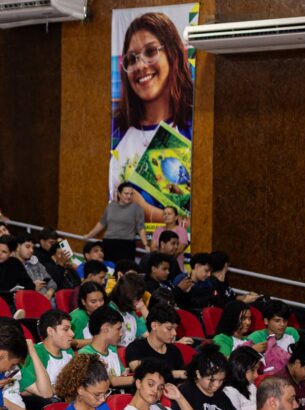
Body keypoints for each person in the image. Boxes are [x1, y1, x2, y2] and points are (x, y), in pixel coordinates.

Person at [109, 12, 195, 221]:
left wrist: (147, 211)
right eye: (132, 59)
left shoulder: (194, 126)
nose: (140, 66)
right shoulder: (116, 129)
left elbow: (198, 219)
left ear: (173, 54)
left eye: (151, 51)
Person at [125, 360, 203, 410]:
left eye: (160, 388)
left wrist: (179, 397)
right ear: (138, 383)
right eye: (150, 384)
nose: (155, 390)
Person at [174, 345, 240, 410]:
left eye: (221, 380)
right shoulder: (184, 392)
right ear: (198, 374)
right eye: (212, 380)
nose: (217, 385)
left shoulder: (220, 395)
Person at [82, 183, 148, 266]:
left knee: (124, 269)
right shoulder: (111, 207)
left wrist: (146, 245)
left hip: (126, 245)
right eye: (126, 193)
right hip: (109, 243)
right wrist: (89, 235)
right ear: (119, 194)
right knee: (108, 268)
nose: (129, 196)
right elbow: (101, 223)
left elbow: (141, 228)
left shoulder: (137, 208)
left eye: (131, 194)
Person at [125, 303, 187, 378]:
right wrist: (174, 374)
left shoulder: (174, 351)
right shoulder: (135, 348)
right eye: (169, 328)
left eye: (175, 329)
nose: (174, 333)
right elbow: (140, 373)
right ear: (154, 326)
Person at [21, 309, 74, 394]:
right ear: (50, 331)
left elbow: (76, 381)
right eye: (66, 329)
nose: (72, 334)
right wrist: (61, 387)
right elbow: (25, 391)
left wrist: (54, 387)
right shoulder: (36, 352)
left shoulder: (68, 350)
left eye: (71, 329)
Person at [78, 305, 129, 385]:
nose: (121, 334)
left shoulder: (112, 349)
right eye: (118, 329)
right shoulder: (85, 354)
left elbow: (122, 374)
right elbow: (105, 382)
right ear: (106, 328)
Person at [108, 273, 149, 347]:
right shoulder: (109, 310)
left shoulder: (131, 313)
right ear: (127, 297)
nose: (140, 300)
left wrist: (143, 308)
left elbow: (148, 335)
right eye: (138, 298)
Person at [224, 346, 261, 410]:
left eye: (257, 369)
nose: (256, 375)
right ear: (240, 368)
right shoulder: (230, 391)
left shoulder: (251, 386)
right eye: (253, 370)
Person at [70, 282, 108, 348]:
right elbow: (69, 343)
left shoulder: (102, 312)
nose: (99, 305)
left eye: (101, 300)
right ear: (83, 301)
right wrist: (96, 340)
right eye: (93, 302)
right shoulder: (78, 317)